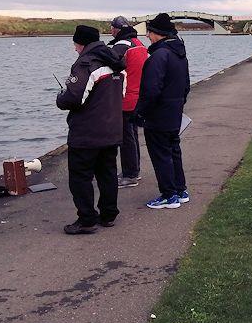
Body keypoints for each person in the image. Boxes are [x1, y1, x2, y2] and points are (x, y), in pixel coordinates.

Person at [57, 25, 125, 234]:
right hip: (111, 129)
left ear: (81, 43)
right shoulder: (116, 63)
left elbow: (74, 98)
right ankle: (108, 214)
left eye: (75, 44)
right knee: (108, 173)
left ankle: (86, 219)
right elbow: (120, 94)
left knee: (80, 176)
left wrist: (61, 96)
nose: (75, 49)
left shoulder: (86, 64)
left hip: (87, 132)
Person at [135, 13, 191, 209]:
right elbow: (186, 86)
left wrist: (140, 112)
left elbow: (151, 90)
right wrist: (178, 104)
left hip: (158, 114)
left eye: (149, 33)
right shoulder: (179, 54)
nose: (148, 37)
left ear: (157, 33)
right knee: (173, 150)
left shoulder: (158, 56)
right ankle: (180, 189)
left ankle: (168, 195)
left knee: (160, 154)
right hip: (174, 112)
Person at [108, 16, 148, 188]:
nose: (110, 31)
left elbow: (109, 65)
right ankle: (133, 170)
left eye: (111, 28)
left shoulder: (121, 45)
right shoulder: (139, 44)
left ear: (116, 29)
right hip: (138, 96)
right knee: (132, 135)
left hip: (125, 97)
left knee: (125, 137)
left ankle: (130, 174)